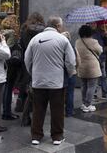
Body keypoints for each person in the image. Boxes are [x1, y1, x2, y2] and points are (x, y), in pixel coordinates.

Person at [24, 16, 76, 146]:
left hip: (38, 81)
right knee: (57, 110)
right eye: (61, 26)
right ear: (58, 26)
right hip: (56, 82)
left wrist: (33, 72)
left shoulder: (35, 39)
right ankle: (57, 137)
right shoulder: (62, 39)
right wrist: (71, 73)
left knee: (38, 109)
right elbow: (70, 61)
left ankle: (36, 136)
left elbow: (27, 59)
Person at [17, 12, 46, 126]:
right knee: (36, 90)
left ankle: (24, 111)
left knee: (27, 88)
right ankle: (31, 115)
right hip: (40, 62)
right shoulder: (43, 31)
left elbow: (23, 47)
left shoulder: (24, 31)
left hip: (26, 61)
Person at [76, 25, 103, 113]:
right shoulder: (93, 41)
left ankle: (84, 103)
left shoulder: (77, 42)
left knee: (83, 86)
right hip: (92, 68)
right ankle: (88, 104)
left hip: (81, 66)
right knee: (91, 86)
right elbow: (100, 50)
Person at [1, 15, 21, 120]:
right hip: (10, 63)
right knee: (9, 88)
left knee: (6, 88)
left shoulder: (1, 32)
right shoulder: (12, 33)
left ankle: (5, 110)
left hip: (3, 64)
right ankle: (7, 112)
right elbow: (8, 48)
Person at [90, 23, 107, 100]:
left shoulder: (100, 32)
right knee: (95, 76)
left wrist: (106, 35)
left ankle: (105, 94)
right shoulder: (88, 33)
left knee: (103, 76)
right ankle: (94, 94)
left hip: (102, 57)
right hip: (93, 58)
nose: (93, 25)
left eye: (94, 23)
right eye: (91, 23)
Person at [61, 31, 80, 117]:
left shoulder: (58, 47)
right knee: (70, 92)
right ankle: (69, 111)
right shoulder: (72, 47)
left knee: (60, 93)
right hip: (71, 73)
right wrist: (74, 69)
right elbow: (77, 60)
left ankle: (59, 111)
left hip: (60, 73)